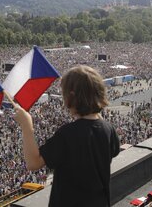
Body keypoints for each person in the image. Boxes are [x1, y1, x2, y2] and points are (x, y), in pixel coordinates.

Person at [14, 65, 120, 207]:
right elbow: (113, 150)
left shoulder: (67, 134)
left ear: (71, 96)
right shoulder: (108, 129)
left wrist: (27, 126)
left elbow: (33, 163)